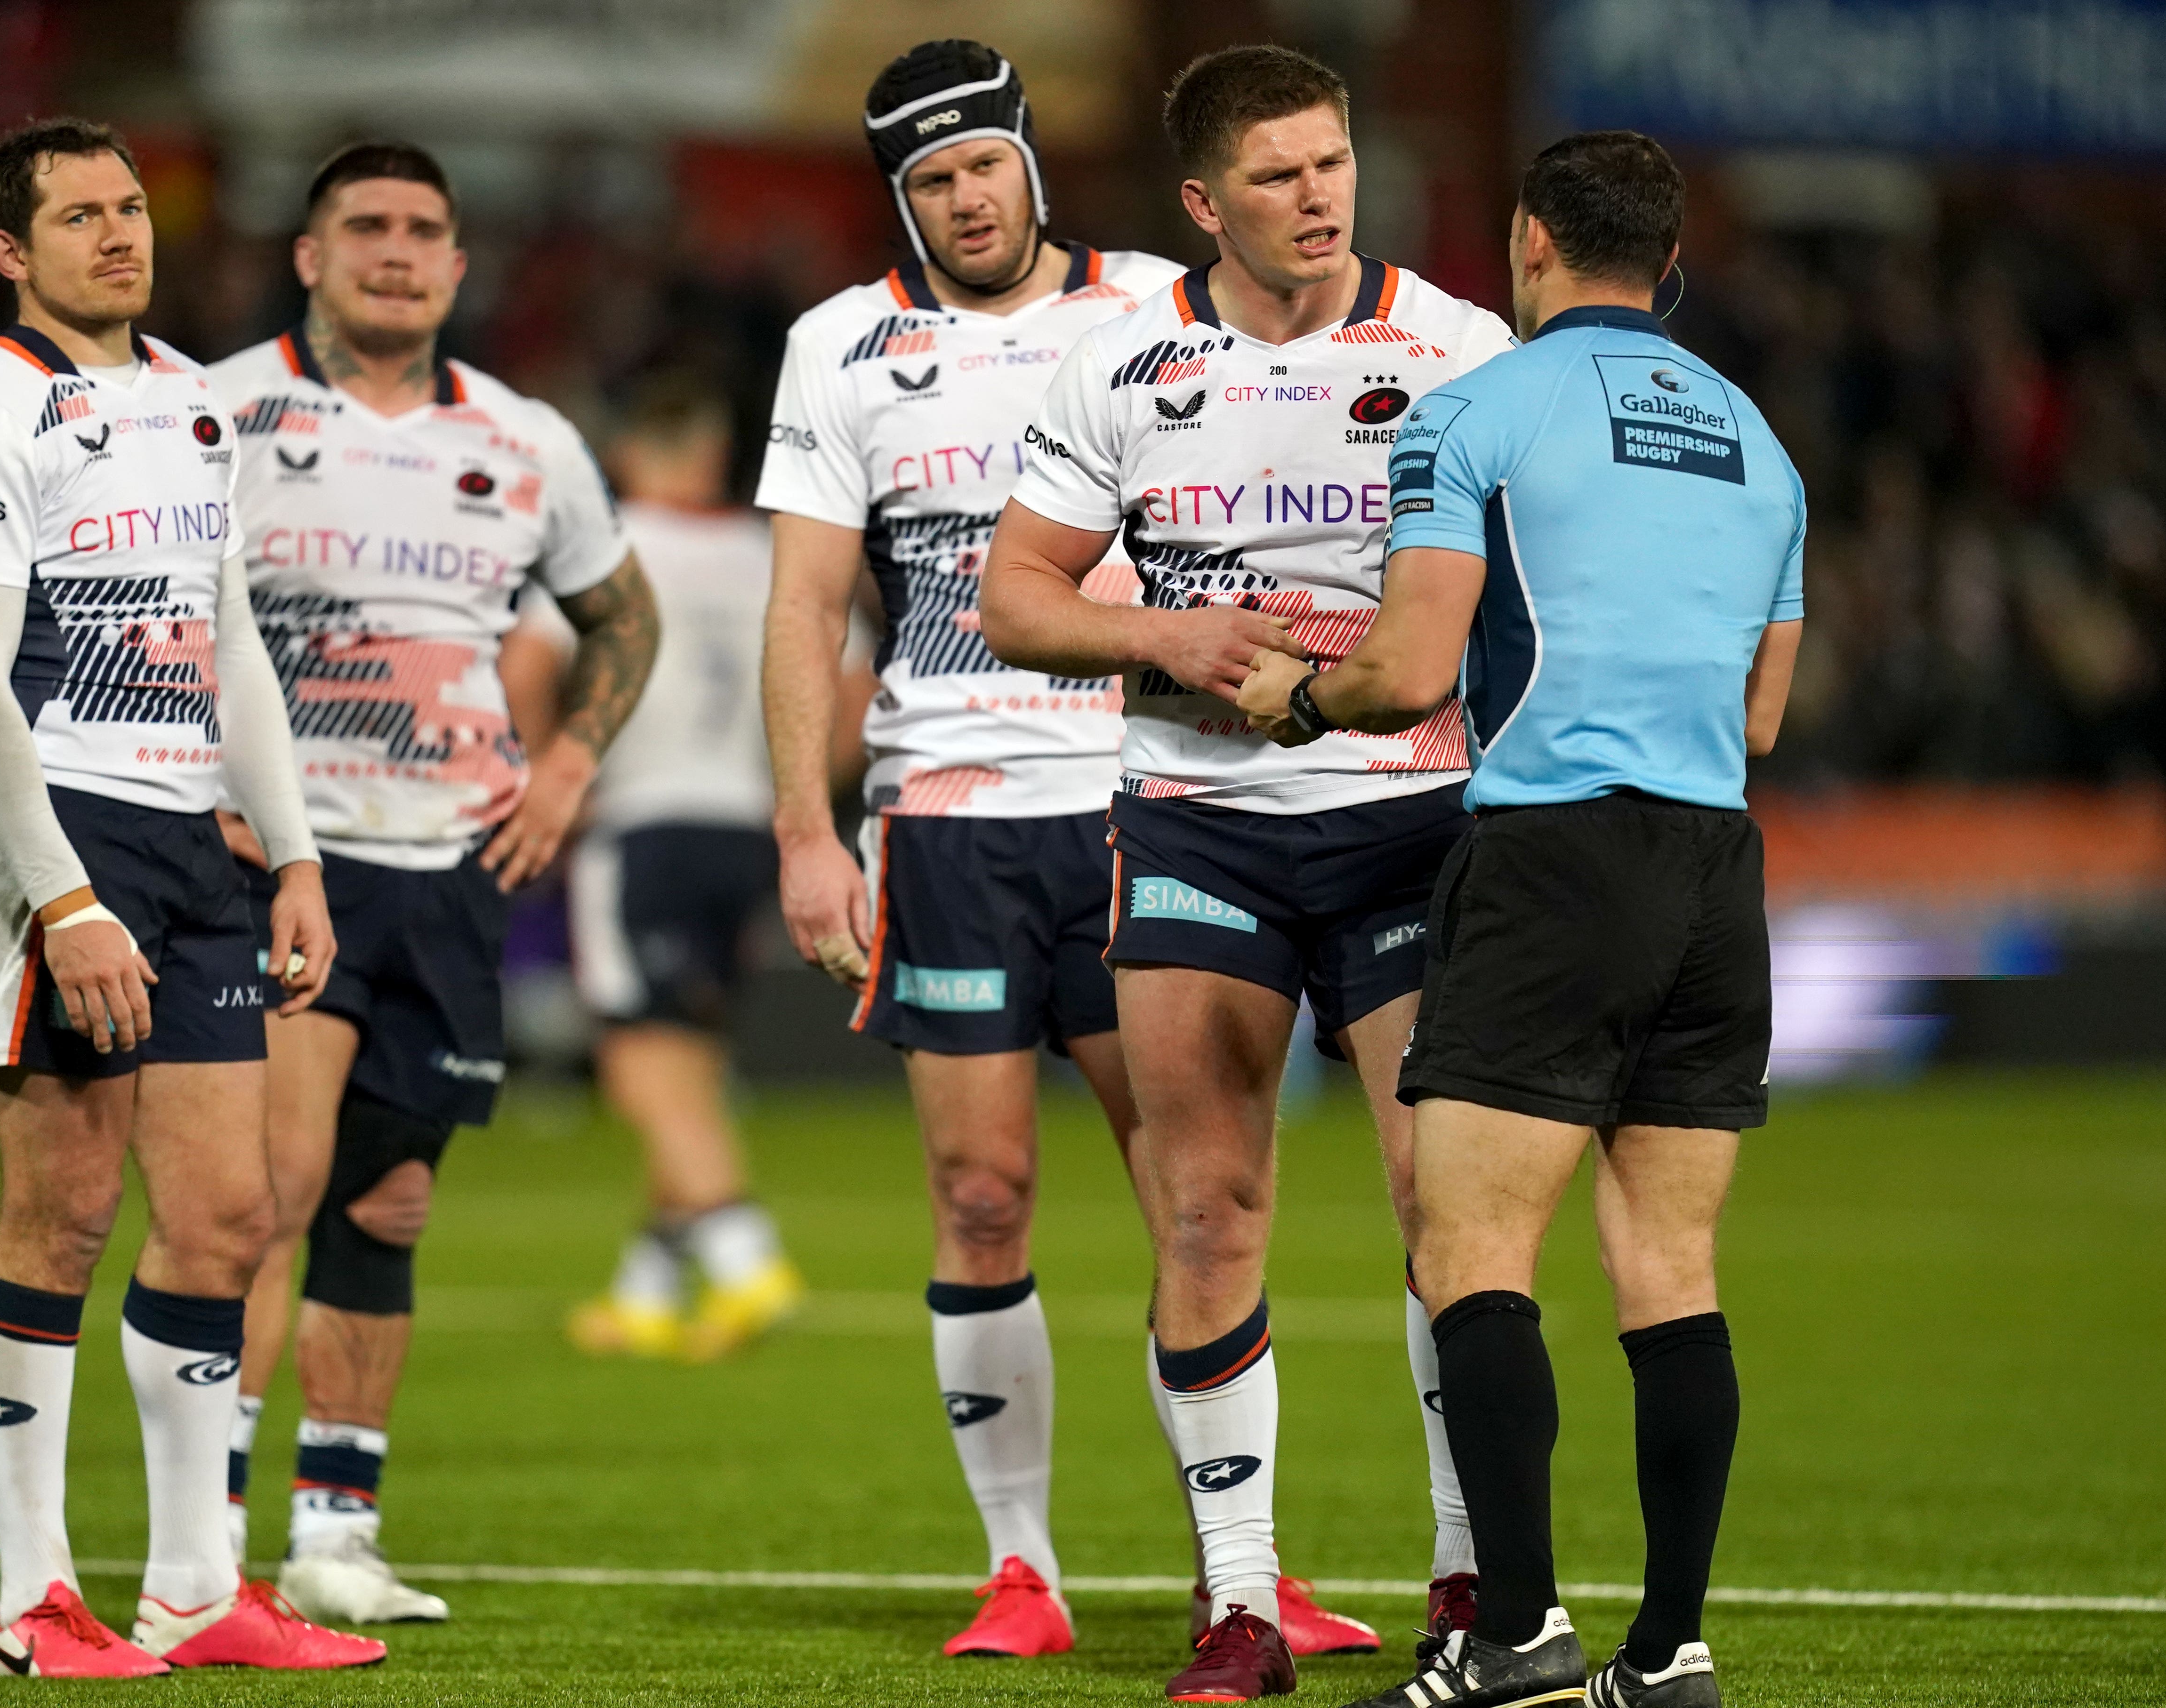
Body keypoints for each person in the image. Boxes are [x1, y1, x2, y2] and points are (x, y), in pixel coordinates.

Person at [759, 36, 1378, 1666]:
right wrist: (801, 828)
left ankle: (1237, 1572)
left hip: (1131, 804)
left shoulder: (1156, 309)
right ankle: (1018, 1568)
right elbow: (807, 608)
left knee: (1194, 1203)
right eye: (931, 182)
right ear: (898, 198)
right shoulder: (838, 347)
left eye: (984, 167)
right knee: (977, 1194)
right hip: (946, 819)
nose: (966, 202)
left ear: (1030, 159)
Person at [1236, 131, 1802, 1708]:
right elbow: (1762, 714)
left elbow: (1409, 672)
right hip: (1713, 868)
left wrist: (1293, 698)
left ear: (1531, 242)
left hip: (1553, 852)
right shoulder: (1760, 443)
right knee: (1670, 1264)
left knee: (1470, 1244)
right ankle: (1669, 1650)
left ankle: (1517, 1634)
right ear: (1666, 261)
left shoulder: (1479, 406)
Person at [980, 45, 1517, 1702]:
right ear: (1205, 203)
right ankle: (1237, 1605)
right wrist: (1163, 634)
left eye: (1334, 163)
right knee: (1206, 1208)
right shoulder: (1120, 363)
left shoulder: (1457, 350)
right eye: (1279, 175)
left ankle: (1467, 1573)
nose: (1320, 196)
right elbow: (1014, 593)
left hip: (1413, 817)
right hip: (1199, 821)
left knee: (1449, 1208)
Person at [0, 117, 382, 1675]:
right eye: (80, 215)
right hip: (59, 835)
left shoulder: (190, 403)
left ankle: (193, 1588)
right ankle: (30, 1603)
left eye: (129, 208)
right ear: (9, 252)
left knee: (231, 1214)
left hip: (194, 846)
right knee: (66, 1207)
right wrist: (59, 899)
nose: (121, 234)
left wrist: (294, 846)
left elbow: (228, 639)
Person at [207, 142, 658, 1625]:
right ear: (309, 254)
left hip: (453, 863)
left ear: (458, 266)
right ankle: (205, 1539)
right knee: (265, 1192)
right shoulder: (216, 412)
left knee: (387, 1206)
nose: (396, 252)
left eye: (423, 232)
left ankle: (335, 1536)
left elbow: (620, 614)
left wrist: (574, 763)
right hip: (293, 862)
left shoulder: (524, 438)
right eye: (366, 228)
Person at [492, 377, 809, 1362]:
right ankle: (647, 1289)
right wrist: (797, 785)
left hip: (642, 824)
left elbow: (522, 667)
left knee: (638, 1061)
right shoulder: (767, 554)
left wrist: (553, 775)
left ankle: (748, 1259)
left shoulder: (611, 545)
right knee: (691, 1061)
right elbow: (844, 679)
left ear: (628, 457)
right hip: (747, 827)